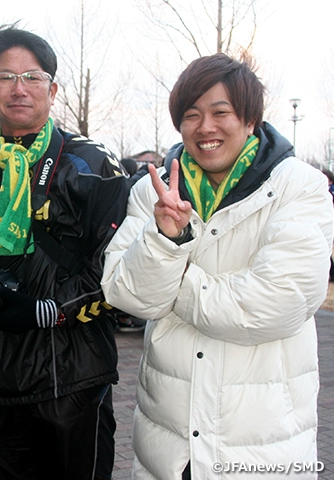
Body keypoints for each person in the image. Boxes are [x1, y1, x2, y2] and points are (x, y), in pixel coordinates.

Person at [101, 53, 334, 479]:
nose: (205, 127)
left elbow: (275, 304)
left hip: (261, 450)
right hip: (168, 449)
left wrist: (173, 279)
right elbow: (126, 295)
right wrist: (167, 239)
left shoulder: (299, 187)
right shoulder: (151, 192)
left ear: (250, 120)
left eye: (220, 112)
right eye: (191, 115)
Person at [0, 23, 130, 480]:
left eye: (32, 77)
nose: (18, 89)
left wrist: (48, 310)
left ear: (53, 88)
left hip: (72, 374)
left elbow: (117, 265)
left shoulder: (94, 162)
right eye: (5, 77)